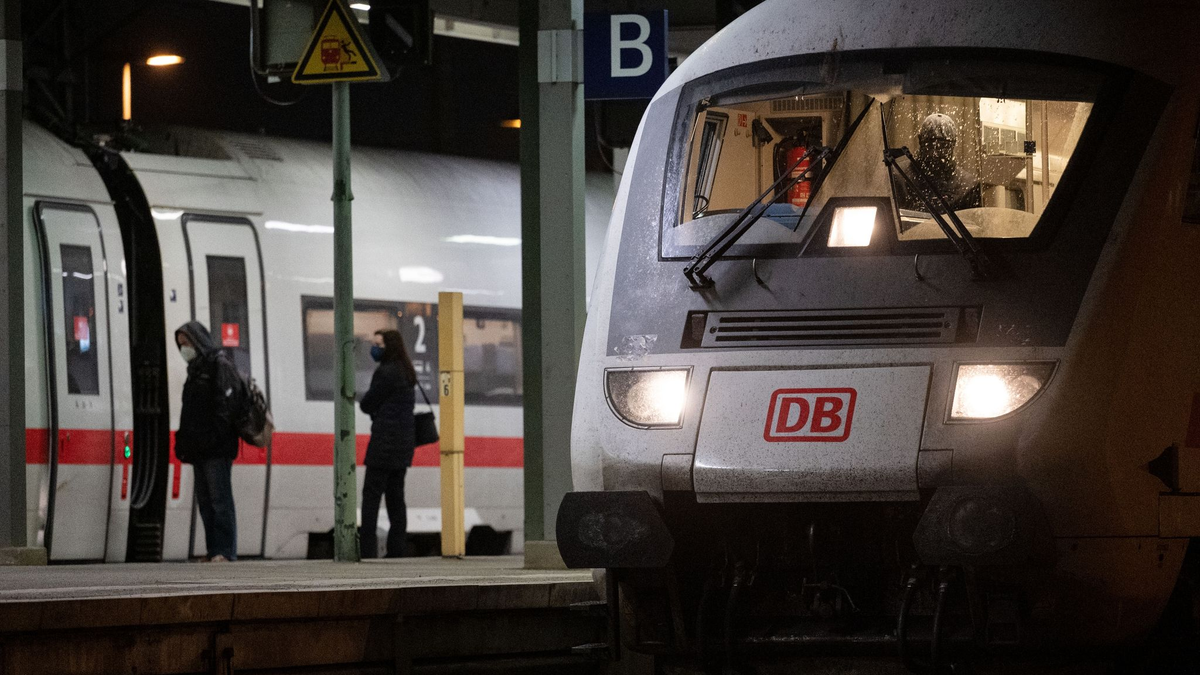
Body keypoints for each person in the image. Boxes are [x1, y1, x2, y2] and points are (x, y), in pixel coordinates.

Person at [174, 321, 242, 562]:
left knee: (220, 501)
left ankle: (225, 551)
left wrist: (215, 437)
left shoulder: (218, 364)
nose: (183, 349)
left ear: (198, 341)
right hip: (200, 449)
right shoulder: (195, 369)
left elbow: (226, 407)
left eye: (186, 343)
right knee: (206, 503)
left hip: (216, 448)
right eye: (180, 344)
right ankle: (214, 550)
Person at [359, 329, 417, 558]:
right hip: (403, 444)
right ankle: (397, 550)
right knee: (396, 499)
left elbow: (367, 403)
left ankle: (367, 550)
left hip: (384, 443)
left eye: (378, 344)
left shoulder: (386, 372)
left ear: (389, 347)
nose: (374, 349)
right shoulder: (407, 371)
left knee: (371, 497)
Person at [895, 112, 982, 213]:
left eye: (943, 146)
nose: (935, 153)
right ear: (920, 141)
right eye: (930, 144)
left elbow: (972, 226)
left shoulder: (969, 185)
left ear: (953, 144)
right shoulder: (899, 177)